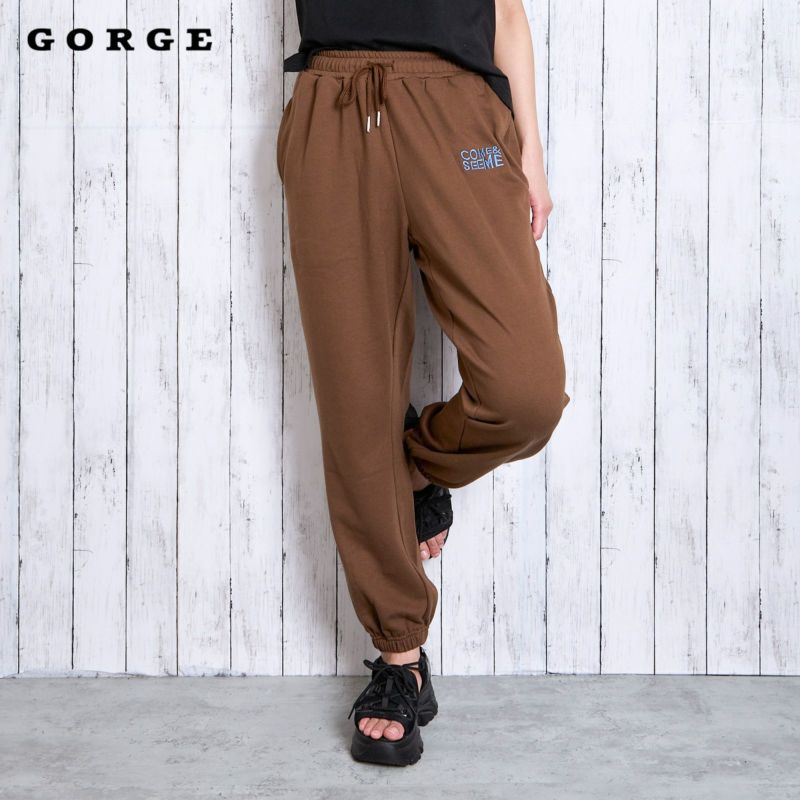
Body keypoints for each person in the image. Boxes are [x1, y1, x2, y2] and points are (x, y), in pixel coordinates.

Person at [277, 0, 570, 767]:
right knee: (354, 395)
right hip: (334, 103)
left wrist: (532, 153)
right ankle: (399, 658)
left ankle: (415, 463)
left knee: (526, 389)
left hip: (460, 114)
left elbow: (507, 12)